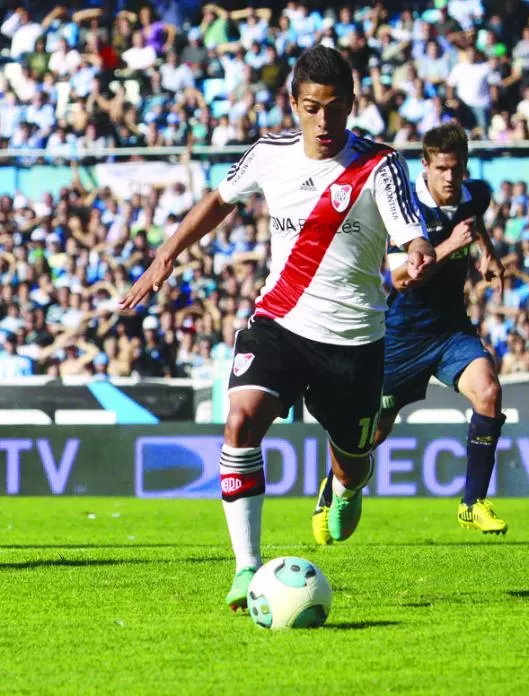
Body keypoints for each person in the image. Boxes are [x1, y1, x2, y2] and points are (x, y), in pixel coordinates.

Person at [119, 46, 436, 611]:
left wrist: (417, 253)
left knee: (352, 458)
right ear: (293, 103)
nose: (322, 121)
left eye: (334, 108)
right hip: (280, 321)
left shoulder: (379, 164)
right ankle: (246, 568)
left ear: (352, 105)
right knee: (240, 422)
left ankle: (343, 487)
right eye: (311, 107)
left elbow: (407, 230)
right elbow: (220, 200)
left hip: (353, 339)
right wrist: (167, 253)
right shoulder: (269, 154)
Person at [311, 122, 508, 541]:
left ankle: (472, 504)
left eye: (457, 169)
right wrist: (452, 246)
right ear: (425, 165)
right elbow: (398, 278)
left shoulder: (475, 194)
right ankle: (333, 489)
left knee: (488, 391)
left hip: (451, 329)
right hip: (400, 335)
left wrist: (487, 256)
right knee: (372, 432)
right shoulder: (407, 206)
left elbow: (473, 222)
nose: (451, 178)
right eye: (442, 169)